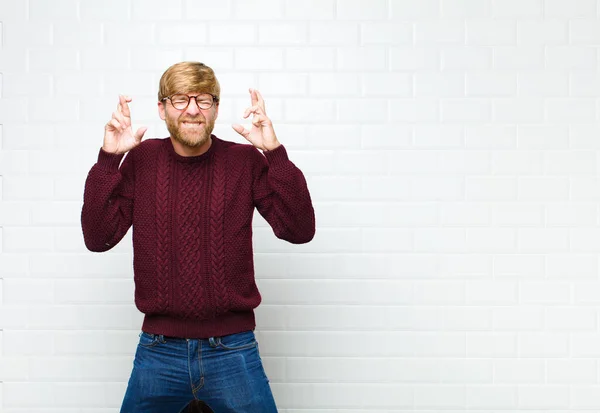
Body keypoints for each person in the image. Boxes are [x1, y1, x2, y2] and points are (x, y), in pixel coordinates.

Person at [81, 61, 315, 413]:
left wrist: (274, 152)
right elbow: (98, 237)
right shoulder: (141, 160)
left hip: (232, 349)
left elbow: (299, 229)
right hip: (159, 350)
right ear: (162, 108)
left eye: (203, 100)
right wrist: (108, 160)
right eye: (180, 99)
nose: (192, 109)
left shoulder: (245, 161)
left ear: (216, 109)